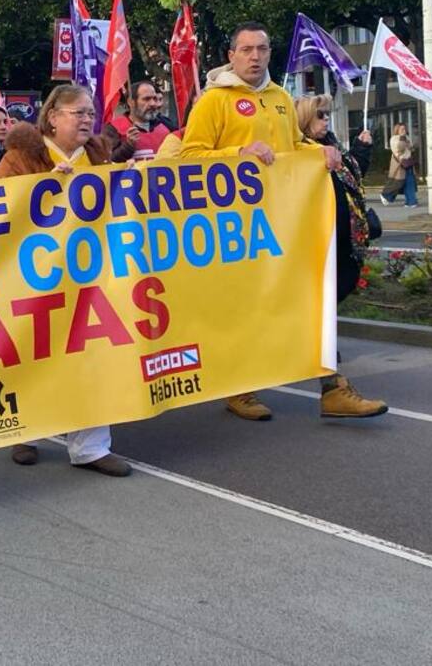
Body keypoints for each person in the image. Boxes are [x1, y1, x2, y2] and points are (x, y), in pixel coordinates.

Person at [179, 22, 383, 421]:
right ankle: (239, 388)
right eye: (246, 49)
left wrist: (318, 150)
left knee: (309, 300)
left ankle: (332, 388)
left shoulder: (280, 98)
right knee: (246, 309)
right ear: (231, 55)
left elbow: (294, 145)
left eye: (262, 48)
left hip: (285, 223)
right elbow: (188, 159)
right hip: (237, 230)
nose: (255, 56)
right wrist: (239, 153)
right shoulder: (213, 101)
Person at [0, 84, 132, 477]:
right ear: (52, 116)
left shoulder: (98, 154)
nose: (87, 119)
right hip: (35, 276)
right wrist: (39, 190)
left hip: (90, 272)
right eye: (77, 112)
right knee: (35, 354)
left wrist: (127, 183)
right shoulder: (22, 157)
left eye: (90, 113)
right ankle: (27, 430)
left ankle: (90, 445)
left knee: (93, 352)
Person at [295, 96, 388, 417]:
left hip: (343, 245)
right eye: (320, 115)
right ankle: (332, 386)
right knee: (316, 317)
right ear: (305, 120)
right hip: (314, 249)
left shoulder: (332, 148)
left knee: (320, 313)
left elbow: (350, 176)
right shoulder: (297, 155)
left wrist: (361, 150)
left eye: (327, 114)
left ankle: (324, 373)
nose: (326, 120)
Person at [106, 80, 171, 161]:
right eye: (146, 99)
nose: (153, 103)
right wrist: (128, 146)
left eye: (154, 98)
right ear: (131, 102)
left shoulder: (167, 126)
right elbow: (106, 162)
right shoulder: (114, 128)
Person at [381, 123, 418, 207]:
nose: (404, 131)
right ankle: (386, 195)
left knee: (409, 182)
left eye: (405, 129)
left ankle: (411, 202)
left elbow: (411, 148)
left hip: (408, 162)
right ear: (397, 130)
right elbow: (399, 149)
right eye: (402, 129)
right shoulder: (394, 139)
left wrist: (409, 143)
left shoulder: (407, 137)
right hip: (400, 163)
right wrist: (402, 138)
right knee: (398, 182)